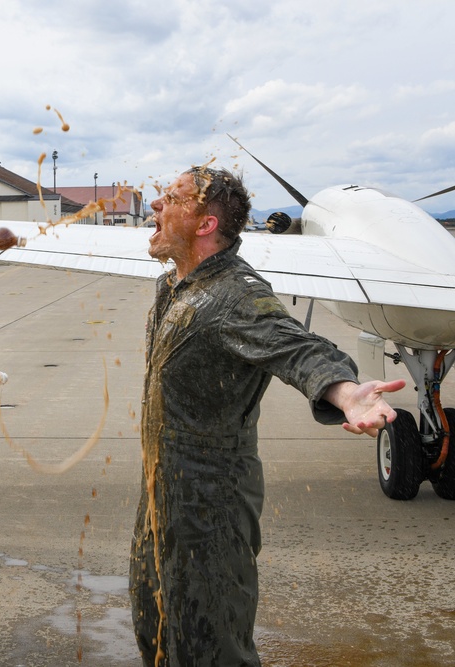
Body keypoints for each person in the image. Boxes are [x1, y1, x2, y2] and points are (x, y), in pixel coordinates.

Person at [129, 166, 406, 666]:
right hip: (160, 493)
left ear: (204, 223)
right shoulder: (174, 285)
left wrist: (346, 393)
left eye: (170, 197)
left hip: (210, 505)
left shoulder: (234, 295)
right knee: (155, 629)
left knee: (213, 645)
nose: (155, 204)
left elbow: (298, 347)